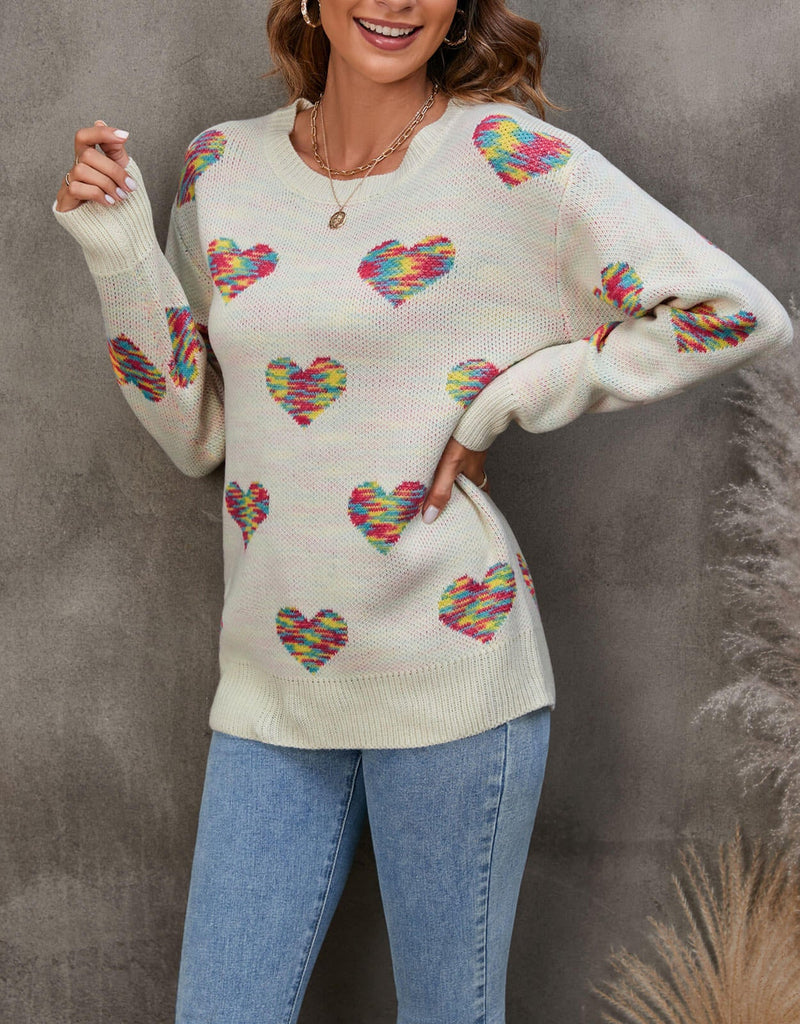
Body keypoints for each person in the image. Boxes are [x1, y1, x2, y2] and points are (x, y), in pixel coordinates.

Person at [52, 0, 793, 1020]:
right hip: (272, 684)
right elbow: (197, 428)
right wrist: (117, 247)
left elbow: (736, 311)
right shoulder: (223, 166)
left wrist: (510, 398)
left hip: (453, 668)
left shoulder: (507, 161)